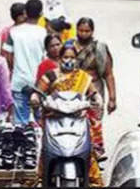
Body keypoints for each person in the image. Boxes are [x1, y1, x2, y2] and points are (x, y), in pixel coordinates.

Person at [31, 43, 104, 186]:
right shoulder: (50, 76)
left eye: (72, 57)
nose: (68, 60)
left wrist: (98, 99)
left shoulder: (83, 77)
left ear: (76, 59)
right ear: (59, 58)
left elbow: (93, 93)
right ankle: (42, 178)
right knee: (44, 153)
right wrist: (34, 99)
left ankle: (92, 181)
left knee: (91, 155)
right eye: (65, 57)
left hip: (78, 120)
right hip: (54, 120)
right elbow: (38, 92)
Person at [2, 0, 47, 125]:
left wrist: (14, 68)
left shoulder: (13, 32)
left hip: (19, 81)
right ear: (41, 14)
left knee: (21, 122)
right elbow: (46, 58)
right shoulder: (43, 33)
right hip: (39, 83)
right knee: (40, 120)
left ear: (25, 12)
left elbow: (8, 56)